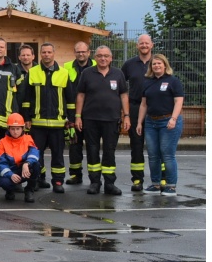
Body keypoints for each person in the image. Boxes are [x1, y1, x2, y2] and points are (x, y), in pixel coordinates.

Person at [74, 45, 130, 195]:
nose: (103, 58)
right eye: (100, 56)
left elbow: (124, 95)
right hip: (90, 119)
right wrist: (78, 116)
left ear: (111, 58)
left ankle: (109, 183)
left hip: (112, 120)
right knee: (92, 151)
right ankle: (94, 182)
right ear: (95, 57)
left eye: (106, 56)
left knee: (109, 152)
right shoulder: (87, 73)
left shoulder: (118, 74)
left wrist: (127, 116)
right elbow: (80, 95)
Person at [20, 42, 71, 192]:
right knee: (36, 154)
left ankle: (58, 182)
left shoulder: (64, 73)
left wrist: (72, 119)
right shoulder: (33, 72)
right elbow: (26, 98)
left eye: (49, 52)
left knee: (58, 154)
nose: (46, 55)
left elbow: (70, 99)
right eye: (44, 52)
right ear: (40, 54)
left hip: (58, 124)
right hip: (37, 123)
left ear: (54, 53)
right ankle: (37, 179)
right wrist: (27, 118)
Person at [136, 54, 185, 195]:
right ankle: (155, 184)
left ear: (165, 65)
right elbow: (144, 104)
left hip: (168, 121)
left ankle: (171, 185)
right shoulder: (147, 82)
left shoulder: (173, 81)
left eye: (159, 63)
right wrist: (140, 122)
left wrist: (173, 119)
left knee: (167, 155)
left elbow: (178, 102)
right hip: (151, 122)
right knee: (153, 155)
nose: (156, 66)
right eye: (154, 64)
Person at [121, 34, 155, 191]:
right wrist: (125, 112)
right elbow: (121, 88)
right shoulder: (129, 64)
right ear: (137, 46)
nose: (144, 45)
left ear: (151, 45)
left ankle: (160, 180)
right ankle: (137, 179)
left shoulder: (158, 62)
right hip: (134, 108)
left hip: (155, 108)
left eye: (147, 43)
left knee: (157, 146)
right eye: (141, 43)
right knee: (136, 145)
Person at [63, 41, 94, 184]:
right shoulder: (67, 67)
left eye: (83, 52)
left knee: (92, 145)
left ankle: (94, 177)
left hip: (92, 112)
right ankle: (76, 175)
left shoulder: (96, 65)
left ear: (89, 52)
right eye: (78, 52)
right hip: (72, 113)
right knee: (74, 144)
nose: (81, 54)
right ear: (74, 52)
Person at [0, 113, 41, 202]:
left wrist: (27, 163)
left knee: (36, 165)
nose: (15, 132)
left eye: (18, 129)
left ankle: (29, 191)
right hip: (11, 172)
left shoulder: (28, 139)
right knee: (4, 182)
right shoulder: (3, 142)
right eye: (13, 129)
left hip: (24, 170)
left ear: (22, 128)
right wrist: (10, 174)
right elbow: (1, 163)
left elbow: (34, 153)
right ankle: (10, 191)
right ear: (8, 128)